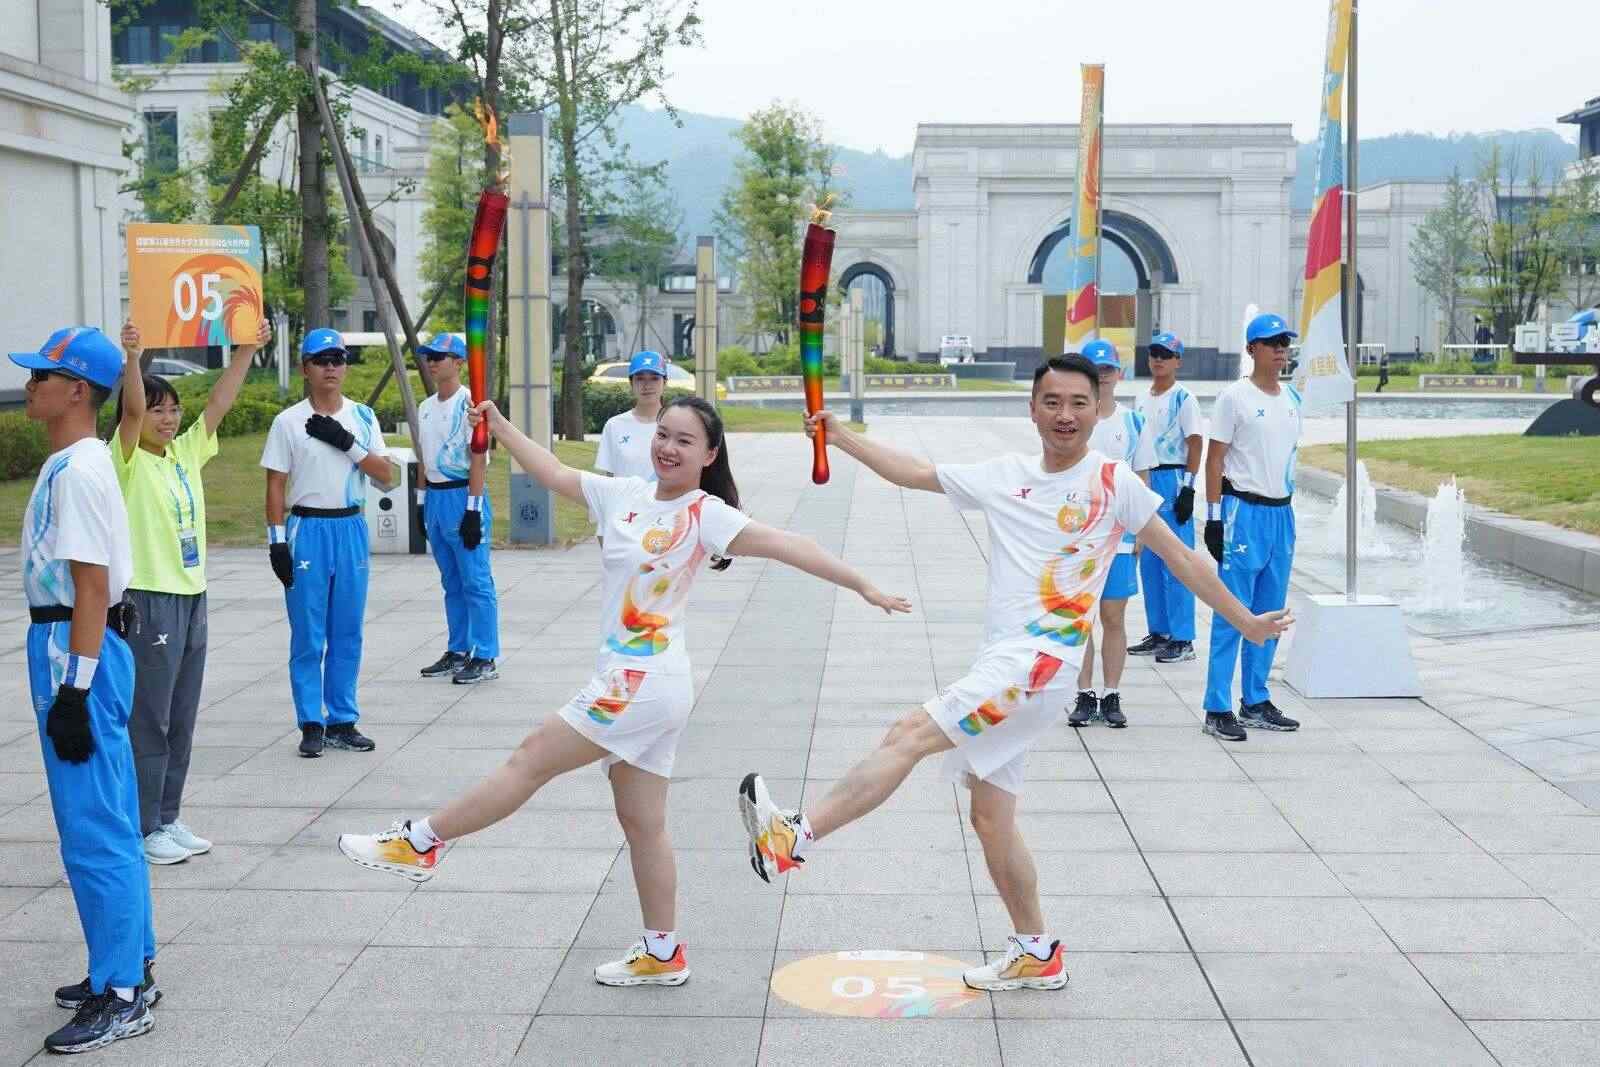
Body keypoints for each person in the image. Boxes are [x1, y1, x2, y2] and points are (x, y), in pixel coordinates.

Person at [736, 355, 1292, 993]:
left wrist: (1245, 622)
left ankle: (793, 837)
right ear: (1032, 410)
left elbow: (1184, 561)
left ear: (1098, 409)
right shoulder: (1006, 476)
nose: (1065, 415)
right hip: (1007, 662)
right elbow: (914, 473)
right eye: (1051, 402)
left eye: (1078, 402)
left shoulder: (1113, 482)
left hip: (1038, 667)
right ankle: (1036, 951)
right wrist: (841, 437)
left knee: (908, 735)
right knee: (991, 817)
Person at [337, 396, 911, 988]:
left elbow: (792, 545)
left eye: (685, 441)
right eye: (663, 434)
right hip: (642, 683)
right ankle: (663, 953)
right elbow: (553, 472)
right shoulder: (625, 495)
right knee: (642, 823)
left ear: (709, 455)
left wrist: (863, 585)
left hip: (639, 683)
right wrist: (500, 426)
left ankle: (421, 842)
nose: (668, 447)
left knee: (531, 759)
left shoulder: (705, 513)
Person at [11, 326, 157, 1052]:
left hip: (75, 646)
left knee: (93, 827)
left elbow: (91, 587)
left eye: (43, 375)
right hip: (78, 643)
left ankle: (121, 992)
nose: (30, 384)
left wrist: (75, 689)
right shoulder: (76, 461)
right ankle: (131, 965)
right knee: (110, 818)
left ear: (76, 391)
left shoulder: (78, 470)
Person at [113, 319, 271, 865]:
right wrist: (133, 358)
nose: (168, 418)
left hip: (191, 596)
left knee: (181, 715)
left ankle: (167, 815)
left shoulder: (183, 453)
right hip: (148, 598)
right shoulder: (124, 460)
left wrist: (246, 350)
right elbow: (131, 411)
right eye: (157, 410)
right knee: (149, 718)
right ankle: (143, 825)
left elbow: (219, 403)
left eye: (174, 409)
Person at [261, 328, 397, 758]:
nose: (331, 367)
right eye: (321, 360)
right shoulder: (288, 421)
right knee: (308, 633)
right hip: (308, 529)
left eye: (338, 359)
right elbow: (275, 485)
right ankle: (310, 721)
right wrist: (276, 542)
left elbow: (386, 475)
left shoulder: (363, 417)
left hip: (350, 527)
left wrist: (346, 443)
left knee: (348, 630)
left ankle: (342, 719)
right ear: (306, 368)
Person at [1201, 312, 1305, 741]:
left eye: (1284, 342)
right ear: (1251, 349)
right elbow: (1214, 460)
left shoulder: (1293, 397)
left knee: (1271, 612)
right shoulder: (1234, 398)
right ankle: (1217, 707)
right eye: (1271, 342)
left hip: (1282, 515)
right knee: (1233, 612)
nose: (1280, 349)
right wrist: (1212, 518)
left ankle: (1256, 700)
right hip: (1243, 514)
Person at [1068, 339, 1148, 730]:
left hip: (1120, 537)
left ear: (1119, 373)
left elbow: (1143, 478)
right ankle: (1084, 694)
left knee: (1113, 616)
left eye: (1108, 369)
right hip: (1079, 537)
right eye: (1095, 369)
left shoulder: (1133, 422)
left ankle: (1111, 692)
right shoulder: (1072, 419)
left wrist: (1142, 531)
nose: (1102, 376)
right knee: (1081, 618)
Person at [413, 333, 500, 685]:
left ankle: (485, 655)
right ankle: (458, 649)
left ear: (460, 362)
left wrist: (473, 510)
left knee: (475, 580)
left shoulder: (472, 405)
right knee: (451, 581)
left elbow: (478, 459)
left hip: (463, 495)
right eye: (429, 356)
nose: (432, 362)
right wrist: (421, 501)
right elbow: (423, 455)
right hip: (435, 498)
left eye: (440, 356)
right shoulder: (425, 406)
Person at [1129, 331, 1203, 665]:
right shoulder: (1141, 397)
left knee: (1176, 559)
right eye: (1154, 353)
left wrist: (1188, 488)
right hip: (1145, 477)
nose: (1158, 360)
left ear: (1177, 361)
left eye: (1166, 355)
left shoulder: (1183, 398)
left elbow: (1196, 443)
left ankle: (1183, 637)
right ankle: (1159, 631)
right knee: (1150, 560)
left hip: (1172, 478)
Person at [595, 350, 669, 481]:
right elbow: (609, 478)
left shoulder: (676, 425)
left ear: (665, 382)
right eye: (640, 378)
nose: (647, 385)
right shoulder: (614, 425)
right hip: (623, 495)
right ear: (631, 383)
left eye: (654, 378)